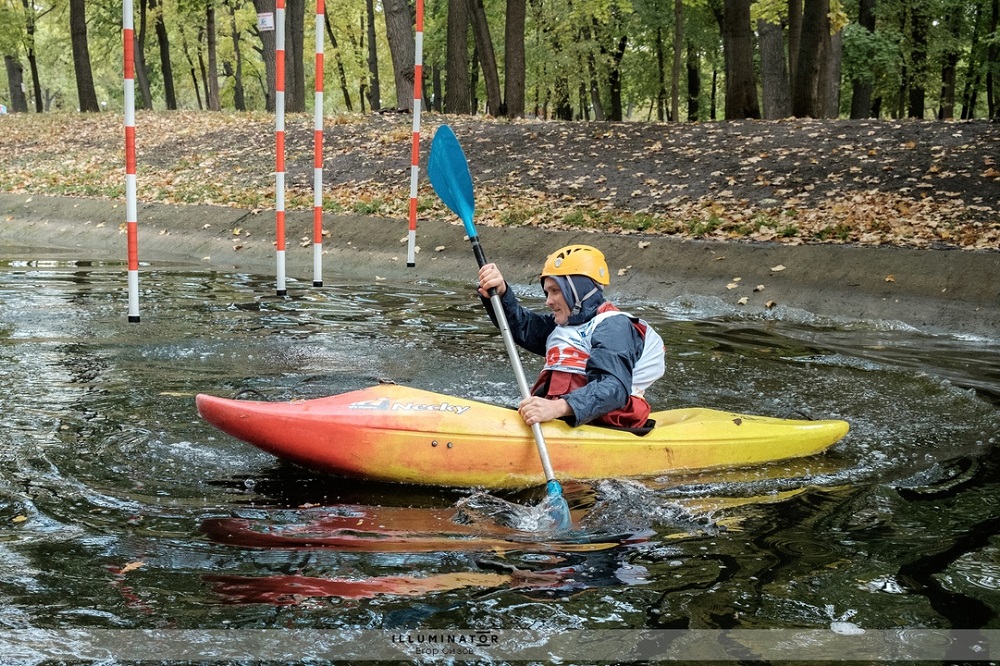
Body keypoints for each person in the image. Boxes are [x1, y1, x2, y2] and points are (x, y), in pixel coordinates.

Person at [477, 244, 665, 430]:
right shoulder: (563, 326)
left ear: (578, 292)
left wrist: (556, 407)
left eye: (556, 291)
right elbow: (521, 326)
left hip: (606, 427)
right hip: (562, 419)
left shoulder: (614, 327)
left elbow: (613, 387)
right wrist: (500, 293)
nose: (548, 301)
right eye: (547, 292)